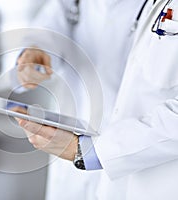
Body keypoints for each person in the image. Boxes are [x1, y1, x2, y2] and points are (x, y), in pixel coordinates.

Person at [16, 0, 178, 199]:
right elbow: (51, 25)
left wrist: (92, 151)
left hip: (135, 162)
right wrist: (35, 53)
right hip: (74, 156)